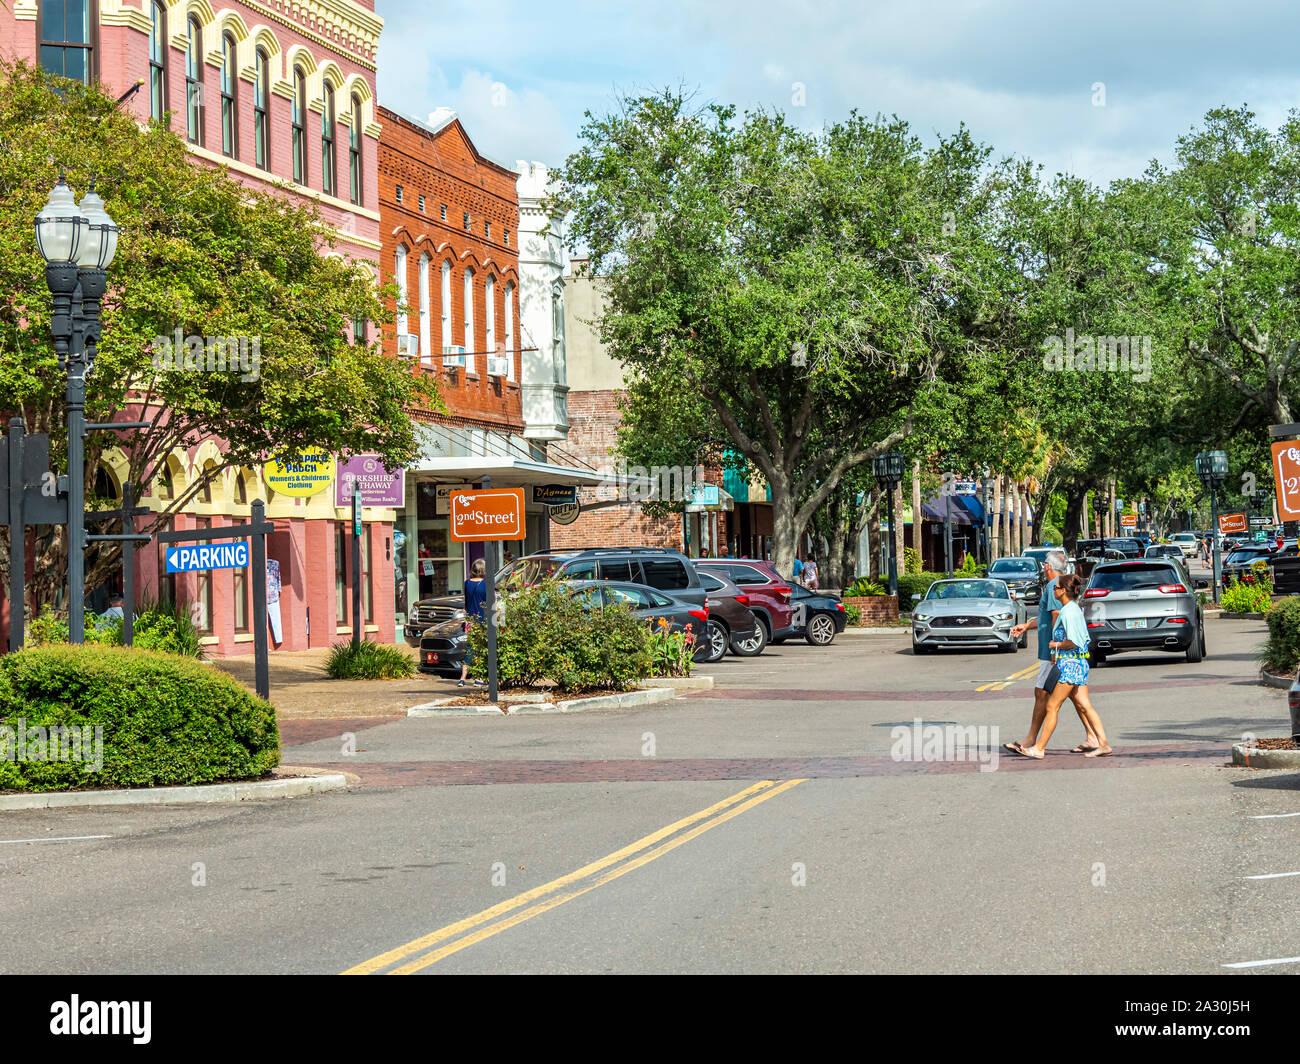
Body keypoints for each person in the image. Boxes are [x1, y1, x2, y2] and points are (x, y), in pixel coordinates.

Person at [1007, 550, 1100, 755]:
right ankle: (1095, 738)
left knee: (1046, 697)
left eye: (1044, 565)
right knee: (1076, 698)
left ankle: (1035, 743)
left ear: (1047, 567)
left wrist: (1055, 648)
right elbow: (1047, 617)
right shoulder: (1060, 586)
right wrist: (1026, 626)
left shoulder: (1054, 587)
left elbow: (1057, 617)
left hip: (1056, 652)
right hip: (1060, 652)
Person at [1018, 573, 1111, 759]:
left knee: (1052, 706)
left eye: (1056, 587)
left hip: (1070, 666)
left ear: (1063, 591)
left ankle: (1039, 748)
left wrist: (1055, 645)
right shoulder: (1073, 609)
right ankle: (1103, 744)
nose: (1054, 590)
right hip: (1077, 664)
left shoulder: (1068, 612)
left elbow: (1075, 641)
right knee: (1085, 706)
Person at [458, 559, 488, 687]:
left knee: (470, 648)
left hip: (470, 621)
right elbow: (491, 603)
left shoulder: (467, 583)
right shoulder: (487, 584)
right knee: (481, 649)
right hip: (483, 620)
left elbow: (466, 602)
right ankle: (479, 678)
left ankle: (462, 678)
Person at [266, 558, 283, 648]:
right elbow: (278, 578)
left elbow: (278, 577)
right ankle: (276, 638)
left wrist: (279, 588)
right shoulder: (275, 564)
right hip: (272, 593)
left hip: (272, 595)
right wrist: (278, 589)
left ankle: (278, 638)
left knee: (275, 617)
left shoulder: (275, 564)